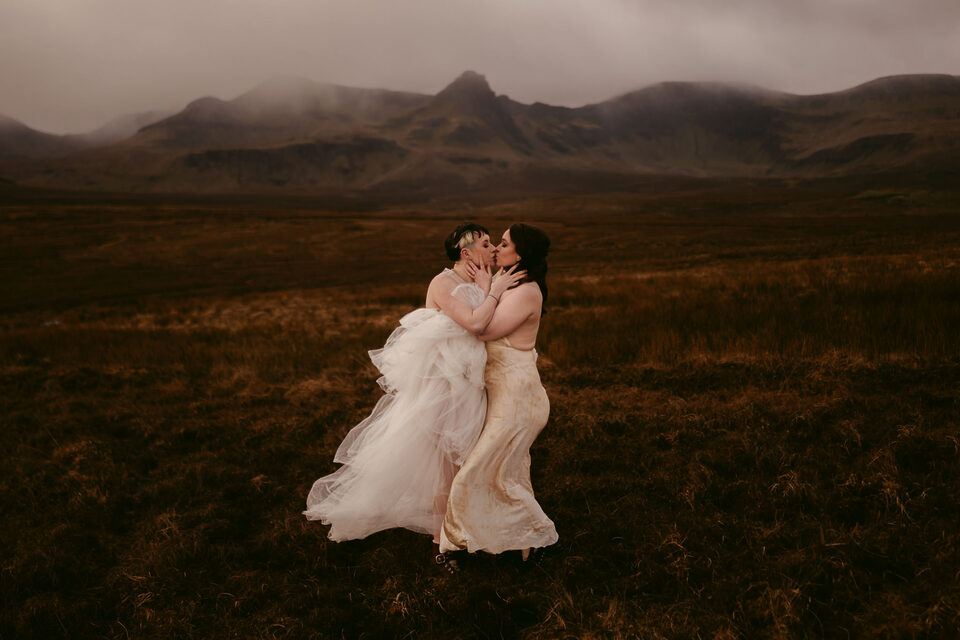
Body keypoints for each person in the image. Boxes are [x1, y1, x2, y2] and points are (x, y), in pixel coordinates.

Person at [303, 223, 524, 572]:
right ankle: (441, 546)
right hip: (443, 391)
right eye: (486, 243)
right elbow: (474, 324)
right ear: (466, 253)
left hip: (470, 385)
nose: (494, 247)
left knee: (473, 463)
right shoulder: (444, 283)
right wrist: (491, 290)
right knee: (448, 468)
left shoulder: (479, 281)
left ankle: (476, 530)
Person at [440, 223, 559, 561]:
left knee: (474, 475)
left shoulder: (526, 291)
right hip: (506, 397)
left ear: (519, 254)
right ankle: (518, 544)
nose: (497, 248)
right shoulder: (512, 286)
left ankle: (455, 547)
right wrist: (490, 286)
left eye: (504, 243)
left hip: (519, 399)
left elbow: (485, 331)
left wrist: (487, 287)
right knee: (505, 476)